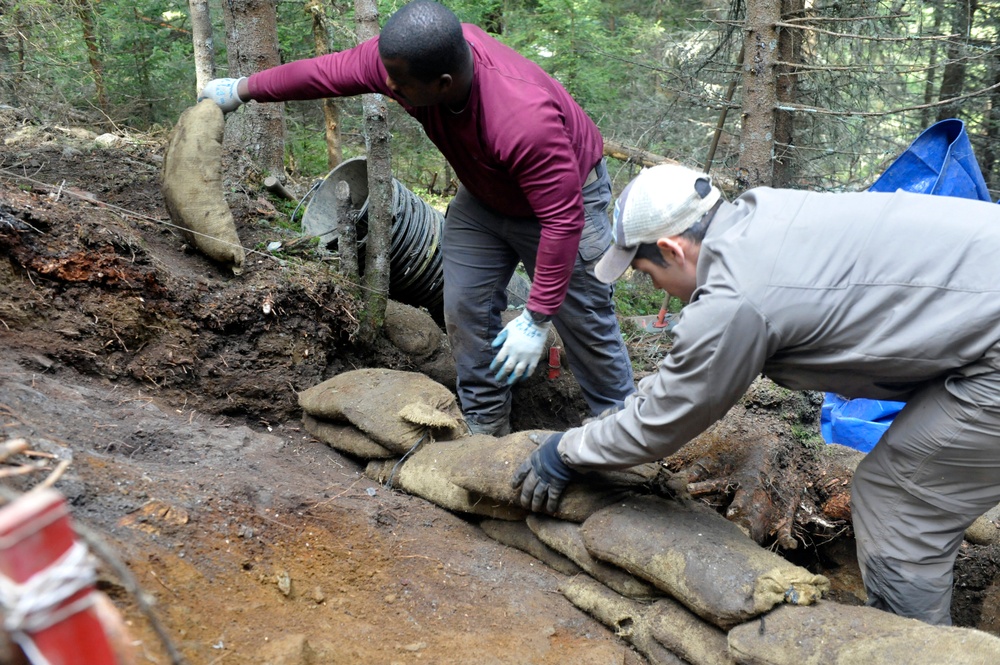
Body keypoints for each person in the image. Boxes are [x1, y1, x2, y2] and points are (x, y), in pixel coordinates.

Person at [512, 161, 1000, 626]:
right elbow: (680, 382)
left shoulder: (736, 295)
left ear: (674, 249)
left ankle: (912, 647)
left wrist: (566, 451)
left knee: (898, 501)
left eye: (646, 273)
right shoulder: (764, 214)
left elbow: (665, 421)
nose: (655, 286)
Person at [199, 0, 634, 436]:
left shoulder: (522, 120)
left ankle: (622, 436)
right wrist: (243, 88)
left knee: (584, 324)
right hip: (485, 196)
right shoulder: (409, 62)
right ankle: (485, 434)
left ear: (444, 83)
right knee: (466, 308)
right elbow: (323, 73)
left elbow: (562, 220)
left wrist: (537, 318)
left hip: (563, 207)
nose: (387, 85)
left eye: (400, 84)